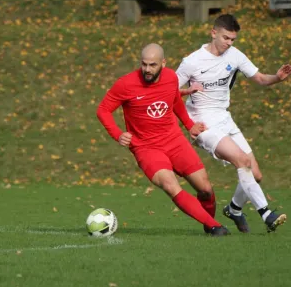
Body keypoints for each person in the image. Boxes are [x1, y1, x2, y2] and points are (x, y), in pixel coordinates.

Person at [97, 43, 230, 237]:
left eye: (152, 65)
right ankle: (215, 226)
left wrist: (188, 124)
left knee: (206, 189)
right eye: (144, 64)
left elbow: (174, 100)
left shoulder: (170, 78)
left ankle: (208, 225)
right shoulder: (125, 84)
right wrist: (117, 134)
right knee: (170, 185)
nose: (147, 69)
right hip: (146, 147)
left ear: (163, 63)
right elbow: (103, 110)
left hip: (174, 140)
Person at [176, 14, 291, 233]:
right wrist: (186, 104)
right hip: (203, 123)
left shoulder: (235, 56)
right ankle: (266, 213)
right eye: (226, 38)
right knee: (242, 160)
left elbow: (259, 78)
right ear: (213, 33)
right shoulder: (191, 61)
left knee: (255, 175)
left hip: (224, 118)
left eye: (233, 40)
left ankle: (234, 209)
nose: (229, 43)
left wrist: (276, 78)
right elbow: (168, 91)